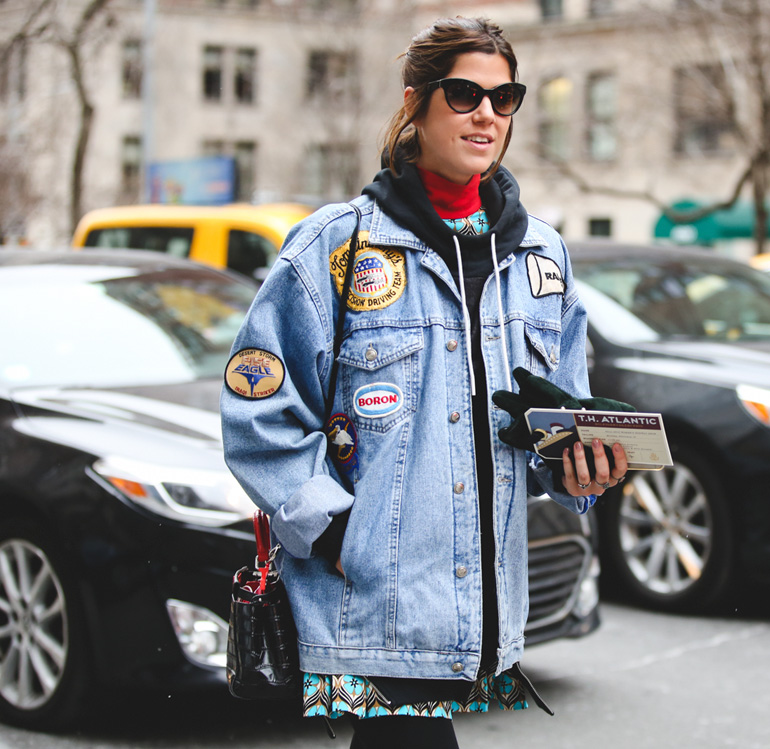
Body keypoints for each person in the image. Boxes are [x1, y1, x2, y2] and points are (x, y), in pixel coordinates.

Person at [220, 16, 629, 748]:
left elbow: (551, 436)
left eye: (504, 98)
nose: (486, 114)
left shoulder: (540, 255)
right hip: (372, 601)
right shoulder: (336, 246)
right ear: (415, 103)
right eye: (465, 94)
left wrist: (579, 467)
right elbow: (259, 413)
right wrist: (340, 530)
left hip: (484, 609)